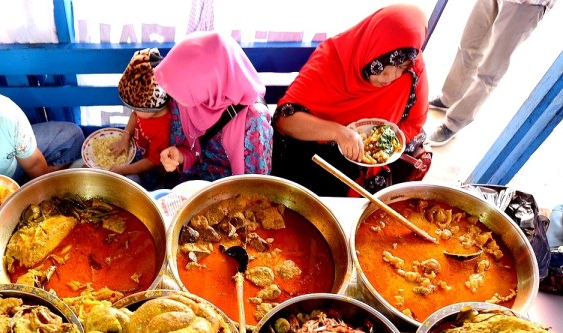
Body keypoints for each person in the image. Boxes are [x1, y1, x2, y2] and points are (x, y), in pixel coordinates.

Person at [271, 4, 430, 197]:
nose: (390, 78)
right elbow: (285, 119)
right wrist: (339, 132)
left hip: (365, 170)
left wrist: (383, 146)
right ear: (370, 50)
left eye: (401, 68)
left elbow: (415, 122)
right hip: (314, 156)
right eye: (382, 67)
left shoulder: (413, 71)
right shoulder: (331, 59)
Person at [428, 0, 556, 146]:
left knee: (490, 70)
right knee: (468, 47)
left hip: (525, 4)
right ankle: (449, 98)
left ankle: (454, 123)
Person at [153, 31, 273, 182]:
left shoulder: (254, 120)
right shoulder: (184, 98)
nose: (175, 97)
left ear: (210, 84)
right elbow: (191, 151)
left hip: (231, 194)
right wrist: (179, 156)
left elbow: (256, 186)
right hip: (192, 184)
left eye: (183, 90)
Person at [109, 48, 171, 190]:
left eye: (137, 109)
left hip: (151, 170)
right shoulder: (145, 110)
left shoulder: (163, 127)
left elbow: (152, 162)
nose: (134, 111)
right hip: (137, 154)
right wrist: (125, 137)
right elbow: (135, 116)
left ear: (152, 108)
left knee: (131, 183)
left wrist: (122, 170)